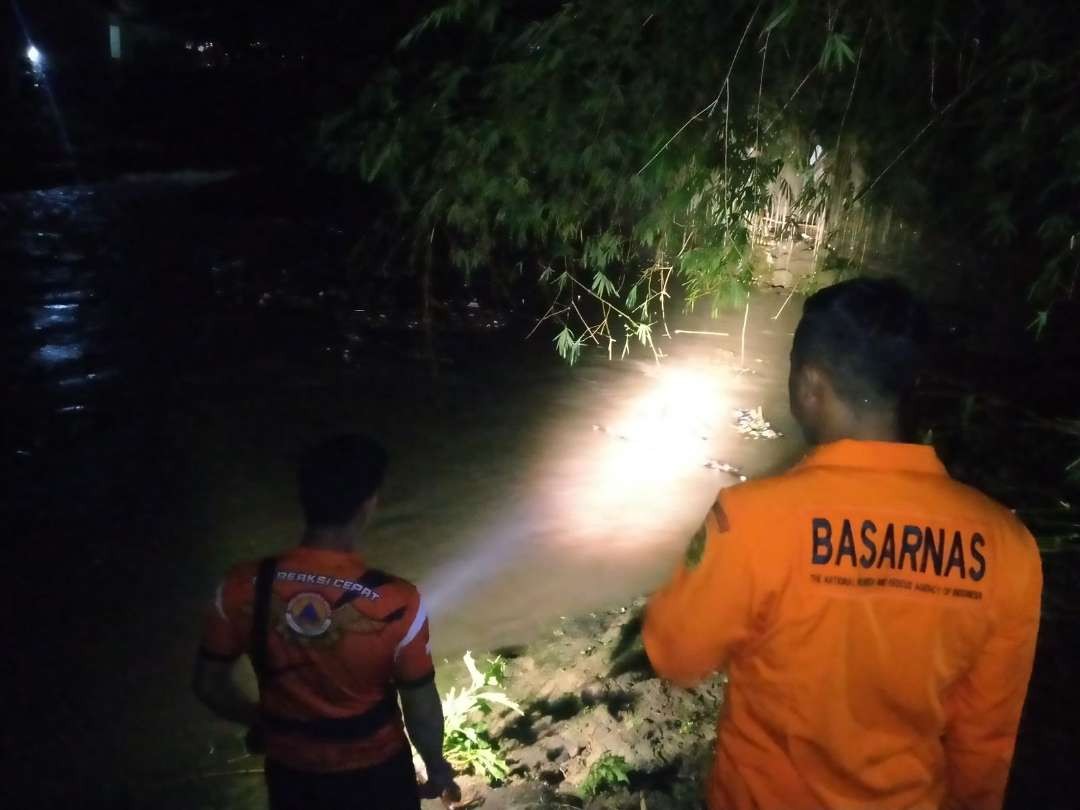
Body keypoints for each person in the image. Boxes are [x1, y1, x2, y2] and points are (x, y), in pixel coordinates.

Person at [643, 279, 1042, 810]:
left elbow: (676, 653)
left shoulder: (751, 519)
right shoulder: (1007, 548)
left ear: (809, 385)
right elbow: (984, 740)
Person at [193, 434, 460, 809]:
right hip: (378, 774)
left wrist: (263, 721)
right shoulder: (397, 601)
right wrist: (436, 764)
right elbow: (420, 705)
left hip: (294, 776)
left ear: (304, 499)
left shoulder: (241, 586)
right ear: (369, 504)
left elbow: (208, 685)